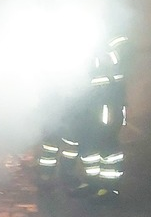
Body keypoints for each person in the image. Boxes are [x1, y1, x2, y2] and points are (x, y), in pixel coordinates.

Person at [38, 35, 127, 197]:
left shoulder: (109, 50)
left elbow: (106, 74)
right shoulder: (91, 52)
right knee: (90, 150)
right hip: (92, 111)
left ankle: (107, 190)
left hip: (105, 112)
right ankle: (94, 185)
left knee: (106, 150)